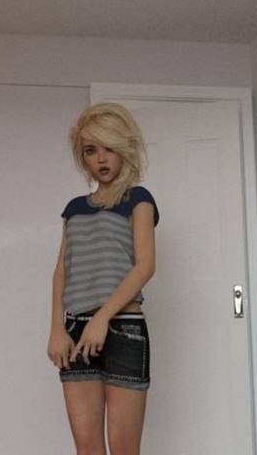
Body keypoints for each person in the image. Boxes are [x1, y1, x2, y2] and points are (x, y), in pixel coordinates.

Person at [47, 102, 159, 455]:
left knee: (124, 450)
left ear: (125, 147)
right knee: (87, 449)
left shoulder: (137, 200)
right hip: (76, 332)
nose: (101, 159)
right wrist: (57, 329)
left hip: (123, 329)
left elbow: (145, 266)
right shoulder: (74, 209)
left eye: (109, 148)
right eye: (91, 150)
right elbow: (62, 270)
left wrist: (102, 318)